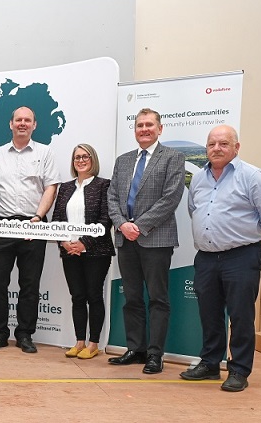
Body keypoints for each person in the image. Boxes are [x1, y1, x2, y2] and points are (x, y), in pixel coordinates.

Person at [180, 125, 261, 392]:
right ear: (206, 149)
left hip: (241, 256)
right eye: (212, 144)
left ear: (236, 148)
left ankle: (238, 370)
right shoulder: (199, 179)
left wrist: (243, 232)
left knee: (240, 315)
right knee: (210, 314)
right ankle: (210, 364)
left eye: (223, 143)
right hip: (206, 258)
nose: (217, 148)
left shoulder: (252, 176)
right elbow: (195, 210)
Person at [106, 108, 185, 374]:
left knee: (158, 299)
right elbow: (112, 197)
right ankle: (135, 349)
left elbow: (170, 199)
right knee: (131, 298)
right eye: (139, 125)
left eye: (149, 125)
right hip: (125, 239)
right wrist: (121, 224)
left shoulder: (173, 157)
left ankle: (155, 354)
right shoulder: (123, 160)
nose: (144, 129)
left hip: (155, 240)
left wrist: (138, 226)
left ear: (160, 129)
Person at [0, 106, 60, 353]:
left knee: (30, 284)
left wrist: (39, 216)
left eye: (27, 120)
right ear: (11, 124)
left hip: (33, 225)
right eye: (18, 120)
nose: (23, 124)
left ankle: (25, 334)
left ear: (34, 125)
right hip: (2, 226)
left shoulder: (45, 152)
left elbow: (51, 187)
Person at [51, 144, 114, 359]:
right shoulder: (65, 188)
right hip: (69, 251)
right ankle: (79, 342)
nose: (81, 160)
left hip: (96, 252)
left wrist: (84, 243)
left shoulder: (104, 185)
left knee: (94, 296)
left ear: (92, 159)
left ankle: (94, 343)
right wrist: (64, 242)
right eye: (77, 157)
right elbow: (57, 219)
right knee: (77, 296)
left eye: (85, 156)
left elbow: (106, 220)